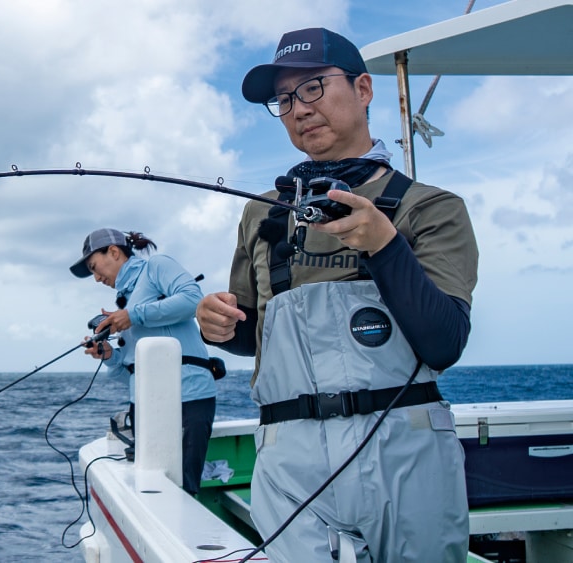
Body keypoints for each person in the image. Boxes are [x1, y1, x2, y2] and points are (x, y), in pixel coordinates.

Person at [196, 28, 478, 562]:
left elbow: (444, 343)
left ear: (364, 89)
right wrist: (219, 325)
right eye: (284, 99)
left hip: (406, 446)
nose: (299, 109)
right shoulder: (261, 213)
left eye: (313, 88)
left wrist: (385, 246)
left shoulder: (432, 208)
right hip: (288, 456)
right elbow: (252, 336)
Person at [71, 227, 217, 496]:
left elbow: (193, 300)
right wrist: (110, 356)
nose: (96, 278)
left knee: (183, 490)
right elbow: (134, 375)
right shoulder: (126, 304)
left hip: (187, 397)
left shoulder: (155, 268)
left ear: (113, 252)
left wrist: (133, 315)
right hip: (147, 405)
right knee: (157, 489)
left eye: (94, 267)